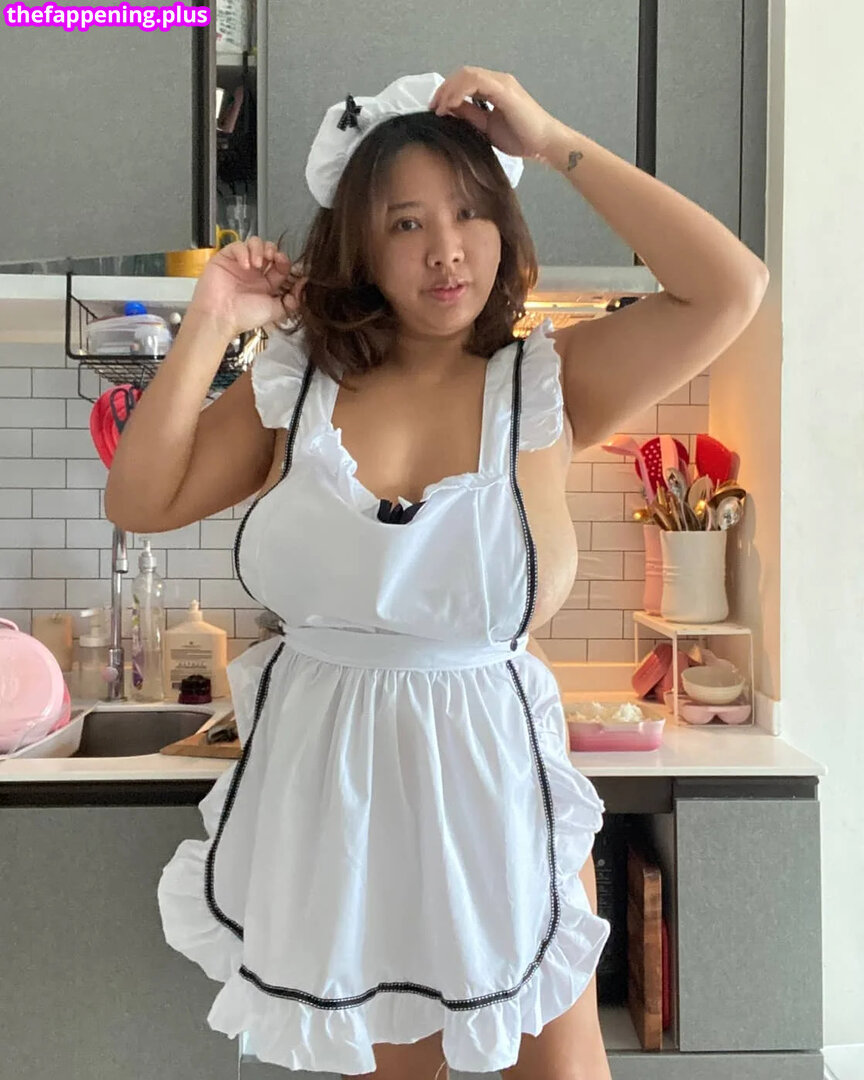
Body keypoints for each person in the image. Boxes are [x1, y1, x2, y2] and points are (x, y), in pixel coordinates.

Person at [105, 67, 769, 1080]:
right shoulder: (297, 382)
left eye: (468, 212)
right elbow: (140, 500)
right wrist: (213, 319)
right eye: (406, 223)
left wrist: (552, 140)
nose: (446, 248)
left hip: (493, 793)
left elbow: (731, 287)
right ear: (362, 248)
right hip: (334, 803)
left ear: (503, 223)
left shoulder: (547, 383)